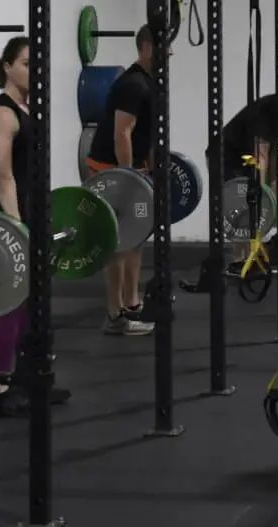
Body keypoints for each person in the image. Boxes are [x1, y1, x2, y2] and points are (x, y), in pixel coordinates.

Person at [0, 36, 72, 413]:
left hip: (29, 214)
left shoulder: (25, 109)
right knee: (11, 304)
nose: (35, 71)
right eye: (27, 63)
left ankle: (30, 380)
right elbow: (3, 176)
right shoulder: (2, 113)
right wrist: (16, 227)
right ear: (7, 67)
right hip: (7, 217)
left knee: (35, 304)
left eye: (39, 65)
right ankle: (0, 392)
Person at [85, 26, 157, 336]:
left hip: (134, 170)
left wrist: (148, 170)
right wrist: (127, 178)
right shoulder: (133, 84)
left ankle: (132, 303)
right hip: (109, 171)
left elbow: (147, 133)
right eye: (163, 46)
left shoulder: (149, 83)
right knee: (115, 243)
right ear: (146, 46)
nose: (170, 53)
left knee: (136, 237)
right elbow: (122, 133)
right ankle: (115, 316)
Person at [214, 79, 278, 274]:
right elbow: (262, 151)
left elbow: (274, 154)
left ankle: (246, 259)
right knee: (243, 203)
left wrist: (275, 184)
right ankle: (239, 261)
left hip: (242, 157)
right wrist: (261, 191)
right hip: (225, 156)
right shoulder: (274, 107)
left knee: (252, 201)